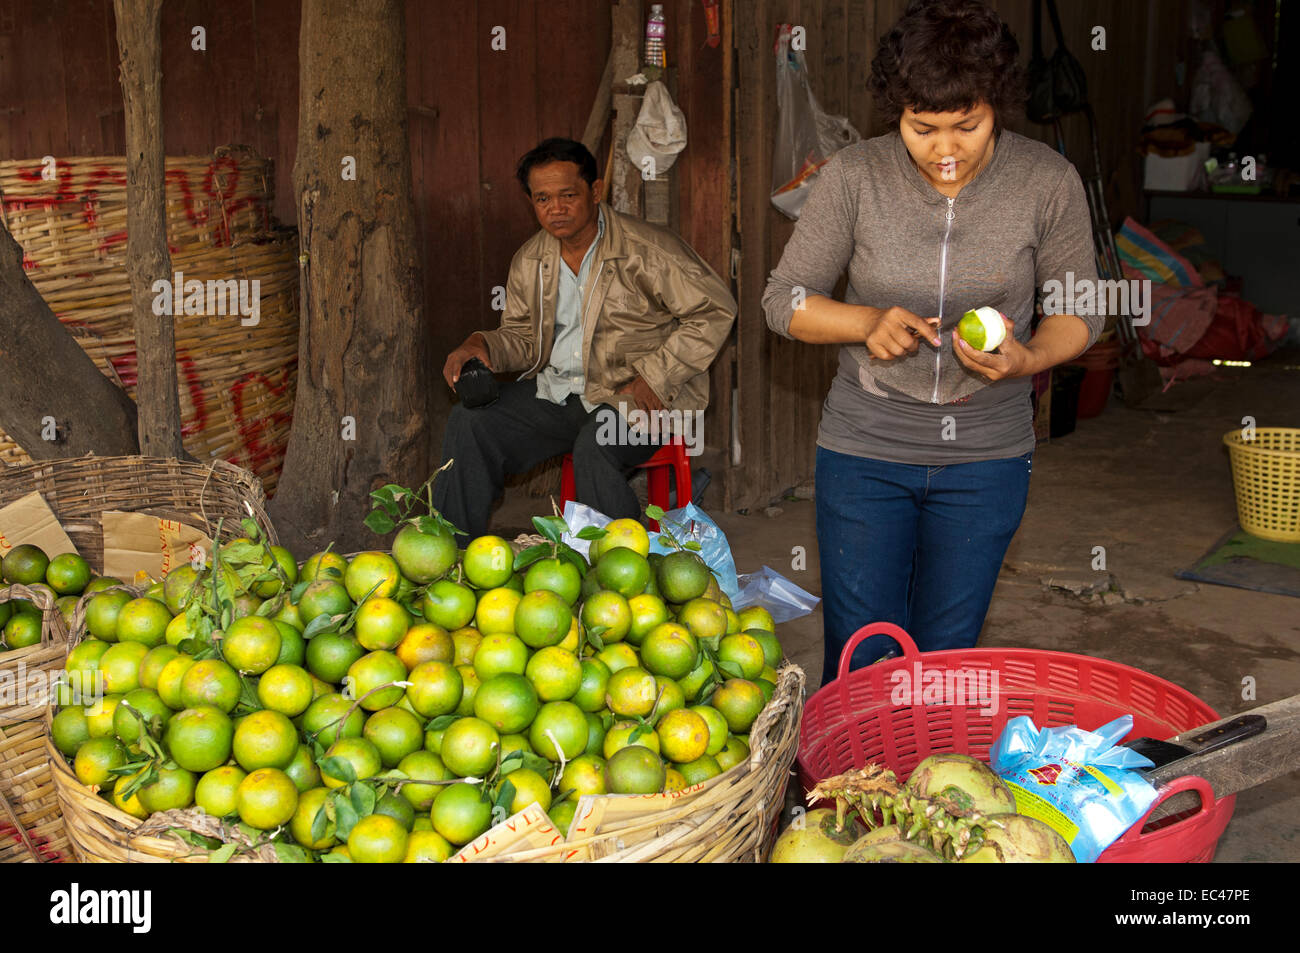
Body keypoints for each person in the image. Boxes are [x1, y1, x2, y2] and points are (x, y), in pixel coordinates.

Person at [762, 0, 1104, 685]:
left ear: (997, 107)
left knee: (947, 653)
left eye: (967, 126)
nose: (946, 149)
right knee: (864, 649)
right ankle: (847, 787)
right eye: (923, 129)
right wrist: (864, 322)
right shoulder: (854, 177)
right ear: (898, 113)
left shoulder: (1046, 182)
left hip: (986, 454)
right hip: (867, 445)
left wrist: (1029, 357)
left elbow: (1082, 311)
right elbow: (784, 300)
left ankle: (923, 786)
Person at [436, 138, 735, 540]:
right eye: (542, 198)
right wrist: (481, 344)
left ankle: (631, 568)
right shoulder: (531, 259)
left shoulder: (646, 250)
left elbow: (715, 310)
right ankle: (449, 559)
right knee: (470, 422)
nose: (555, 208)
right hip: (563, 396)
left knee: (596, 446)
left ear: (594, 192)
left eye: (567, 195)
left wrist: (657, 376)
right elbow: (523, 338)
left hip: (642, 397)